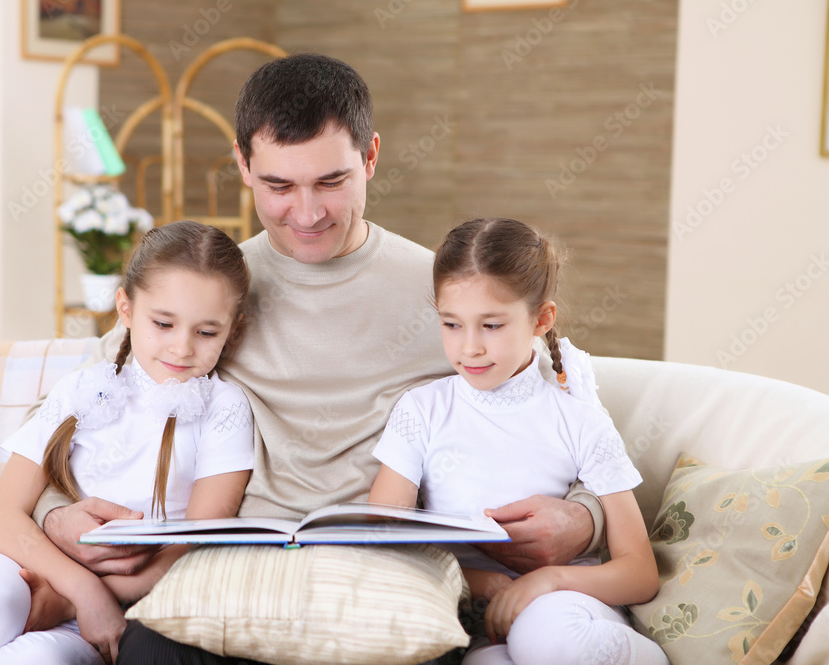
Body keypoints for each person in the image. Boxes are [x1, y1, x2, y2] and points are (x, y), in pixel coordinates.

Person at [36, 54, 608, 664]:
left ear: (371, 158)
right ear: (243, 165)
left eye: (331, 182)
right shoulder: (207, 292)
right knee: (151, 654)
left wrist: (584, 519)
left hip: (384, 576)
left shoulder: (448, 296)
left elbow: (561, 423)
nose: (306, 214)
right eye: (278, 186)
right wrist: (58, 519)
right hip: (223, 574)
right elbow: (75, 418)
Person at [0, 222, 255, 664]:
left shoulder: (225, 408)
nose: (182, 348)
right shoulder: (82, 389)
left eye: (206, 332)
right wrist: (79, 587)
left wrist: (81, 603)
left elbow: (196, 544)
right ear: (125, 309)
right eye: (163, 323)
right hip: (29, 568)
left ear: (234, 330)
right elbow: (3, 518)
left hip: (123, 601)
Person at [368, 217, 666, 665]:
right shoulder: (421, 411)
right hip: (485, 625)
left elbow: (639, 573)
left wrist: (546, 582)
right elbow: (382, 536)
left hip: (569, 610)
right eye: (451, 324)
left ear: (541, 319)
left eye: (491, 326)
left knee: (542, 636)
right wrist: (482, 583)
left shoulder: (580, 419)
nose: (469, 348)